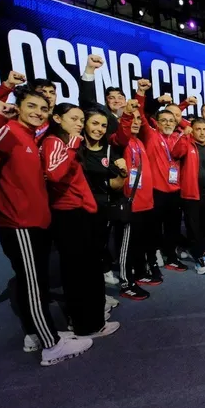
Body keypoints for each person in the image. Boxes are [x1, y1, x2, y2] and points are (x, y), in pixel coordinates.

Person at [0, 92, 93, 366]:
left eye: (43, 108)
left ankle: (36, 333)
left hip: (34, 222)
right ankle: (51, 345)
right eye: (31, 106)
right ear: (17, 108)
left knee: (33, 281)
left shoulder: (30, 136)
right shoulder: (7, 131)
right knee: (33, 284)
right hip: (19, 223)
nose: (38, 112)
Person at [41, 103, 120, 338]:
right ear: (57, 119)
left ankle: (89, 320)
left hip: (79, 212)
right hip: (69, 214)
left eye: (80, 119)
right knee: (78, 272)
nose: (79, 123)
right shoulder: (56, 142)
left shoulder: (65, 143)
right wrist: (73, 145)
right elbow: (55, 173)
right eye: (74, 119)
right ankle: (86, 325)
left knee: (86, 269)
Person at [111, 96, 157, 299]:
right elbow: (122, 134)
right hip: (130, 204)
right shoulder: (118, 141)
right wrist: (127, 115)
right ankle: (126, 283)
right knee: (126, 247)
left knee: (138, 244)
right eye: (132, 118)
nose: (136, 122)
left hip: (145, 204)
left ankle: (139, 273)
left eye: (139, 118)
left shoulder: (139, 141)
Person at [137, 97, 189, 272]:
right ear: (157, 123)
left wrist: (184, 136)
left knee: (173, 227)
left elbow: (179, 154)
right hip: (156, 191)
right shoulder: (150, 135)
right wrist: (141, 93)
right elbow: (141, 114)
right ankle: (153, 255)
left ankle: (171, 257)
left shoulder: (178, 137)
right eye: (164, 120)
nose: (168, 123)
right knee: (153, 228)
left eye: (171, 121)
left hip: (175, 191)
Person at [79, 109, 128, 287]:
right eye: (94, 123)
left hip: (101, 207)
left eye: (103, 125)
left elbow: (116, 185)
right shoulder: (75, 148)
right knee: (82, 251)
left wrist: (123, 173)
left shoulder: (109, 151)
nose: (99, 129)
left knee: (99, 244)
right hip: (77, 208)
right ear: (84, 124)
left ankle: (101, 276)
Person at [171, 118, 205, 274]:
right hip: (191, 194)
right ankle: (198, 260)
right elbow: (175, 153)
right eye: (198, 129)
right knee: (193, 228)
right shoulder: (187, 144)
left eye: (204, 129)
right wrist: (184, 135)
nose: (202, 132)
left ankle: (201, 252)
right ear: (192, 130)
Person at [0, 72, 58, 137]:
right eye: (43, 92)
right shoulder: (17, 115)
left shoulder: (60, 119)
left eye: (52, 92)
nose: (48, 96)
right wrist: (8, 84)